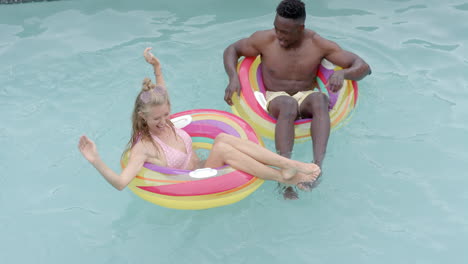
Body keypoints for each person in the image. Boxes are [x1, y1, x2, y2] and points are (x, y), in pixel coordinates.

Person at [78, 47, 320, 193]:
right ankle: (284, 175)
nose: (164, 121)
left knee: (224, 137)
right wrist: (95, 160)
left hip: (205, 164)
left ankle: (290, 165)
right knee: (224, 146)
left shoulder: (162, 114)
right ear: (143, 117)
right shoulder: (144, 147)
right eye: (157, 119)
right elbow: (121, 183)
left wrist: (157, 67)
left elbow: (161, 91)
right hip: (195, 180)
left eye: (166, 114)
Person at [223, 0, 371, 199]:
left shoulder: (318, 44)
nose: (279, 36)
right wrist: (233, 77)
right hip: (276, 97)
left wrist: (343, 74)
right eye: (277, 29)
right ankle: (286, 173)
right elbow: (232, 50)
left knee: (320, 98)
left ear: (300, 28)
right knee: (288, 104)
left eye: (285, 32)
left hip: (305, 95)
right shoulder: (265, 40)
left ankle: (316, 168)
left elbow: (363, 67)